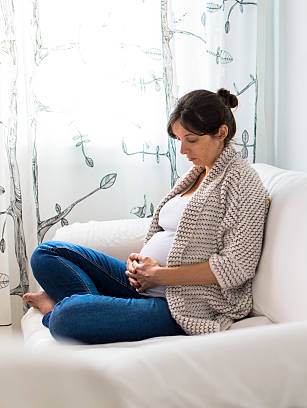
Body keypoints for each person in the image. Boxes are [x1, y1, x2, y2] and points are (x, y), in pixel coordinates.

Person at [22, 88, 270, 344]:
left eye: (191, 140)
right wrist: (140, 263)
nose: (183, 150)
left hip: (184, 305)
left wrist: (160, 275)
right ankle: (100, 309)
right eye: (178, 139)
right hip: (145, 284)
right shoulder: (198, 174)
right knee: (46, 254)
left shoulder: (243, 184)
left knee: (67, 317)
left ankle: (57, 310)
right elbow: (169, 234)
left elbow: (237, 267)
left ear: (221, 133)